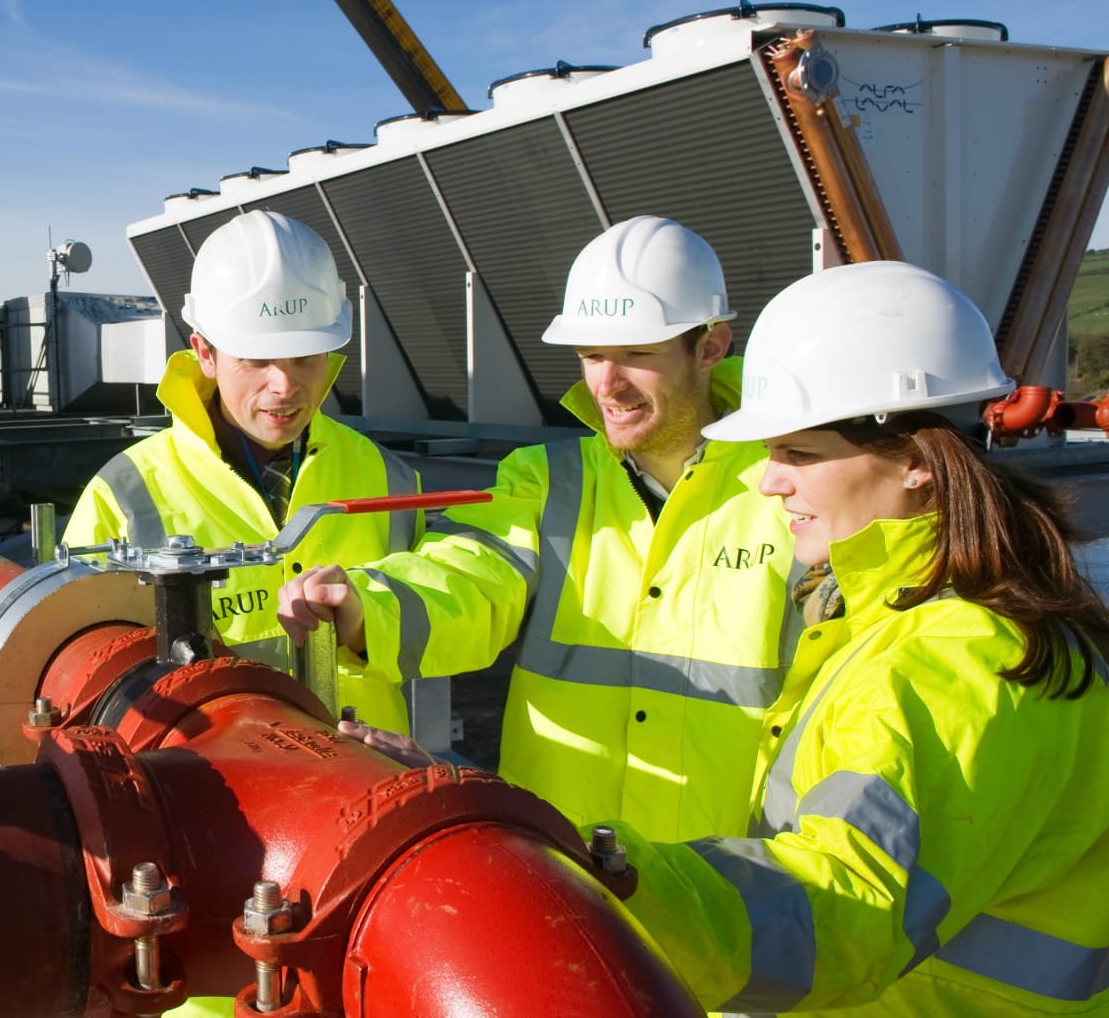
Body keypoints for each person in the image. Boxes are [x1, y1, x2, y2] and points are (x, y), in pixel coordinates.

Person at [575, 261, 1109, 1013]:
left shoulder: (956, 658)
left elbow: (841, 911)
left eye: (799, 453)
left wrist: (604, 873)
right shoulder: (907, 614)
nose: (767, 482)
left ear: (919, 465)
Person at [278, 216, 798, 843]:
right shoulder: (545, 480)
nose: (606, 384)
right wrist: (368, 605)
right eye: (591, 355)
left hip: (738, 883)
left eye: (636, 353)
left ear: (711, 346)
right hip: (566, 864)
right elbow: (465, 573)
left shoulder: (791, 485)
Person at [65, 209, 427, 735]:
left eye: (306, 356)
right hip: (204, 792)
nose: (285, 385)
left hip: (369, 778)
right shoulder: (122, 495)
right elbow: (78, 678)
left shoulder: (386, 475)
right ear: (204, 352)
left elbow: (428, 623)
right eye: (256, 360)